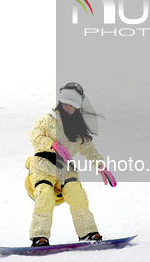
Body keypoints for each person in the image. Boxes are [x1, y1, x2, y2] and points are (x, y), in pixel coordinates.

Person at [25, 82, 116, 247]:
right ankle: (39, 237)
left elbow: (88, 148)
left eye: (72, 105)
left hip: (65, 170)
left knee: (77, 194)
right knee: (44, 195)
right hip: (43, 167)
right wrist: (53, 145)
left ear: (78, 107)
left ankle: (87, 232)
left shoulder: (78, 126)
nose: (68, 107)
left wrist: (101, 166)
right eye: (65, 103)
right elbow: (34, 136)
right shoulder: (48, 119)